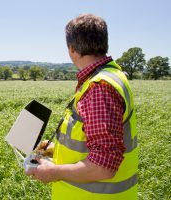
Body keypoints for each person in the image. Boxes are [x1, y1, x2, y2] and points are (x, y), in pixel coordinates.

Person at [25, 13, 138, 200]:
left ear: (72, 49)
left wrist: (53, 172)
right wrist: (56, 148)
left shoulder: (99, 88)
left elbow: (104, 166)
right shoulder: (111, 76)